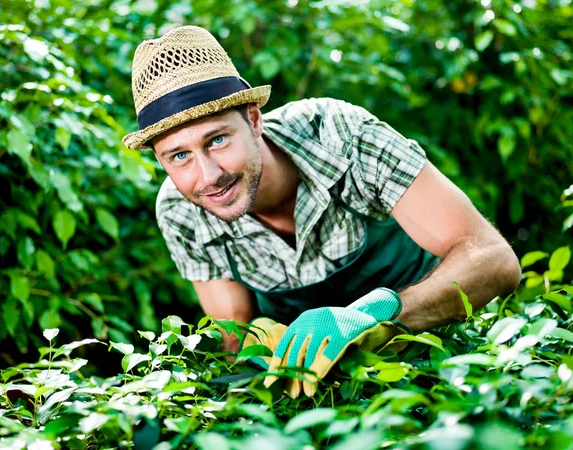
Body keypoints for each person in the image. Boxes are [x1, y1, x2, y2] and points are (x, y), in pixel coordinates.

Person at [122, 26, 521, 398]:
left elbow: (494, 260)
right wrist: (256, 361)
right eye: (179, 156)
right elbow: (236, 336)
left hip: (439, 356)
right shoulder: (179, 211)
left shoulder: (341, 135)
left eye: (219, 139)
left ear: (254, 119)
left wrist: (373, 313)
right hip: (320, 391)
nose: (208, 175)